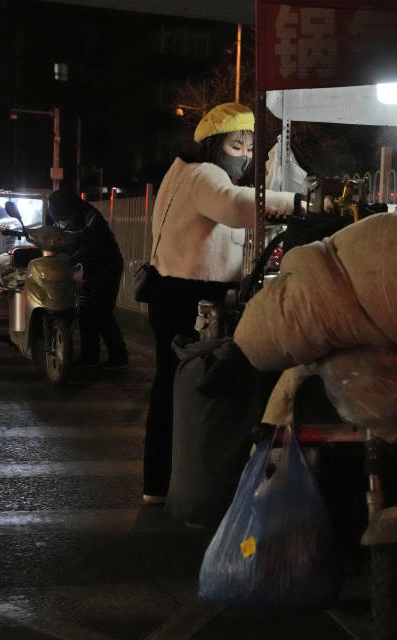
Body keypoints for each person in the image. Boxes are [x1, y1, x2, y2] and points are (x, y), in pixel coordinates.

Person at [142, 102, 304, 504]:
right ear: (214, 145)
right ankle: (184, 482)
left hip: (168, 290)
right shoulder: (205, 174)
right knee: (191, 390)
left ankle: (160, 482)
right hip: (189, 296)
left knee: (170, 387)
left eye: (250, 148)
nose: (245, 155)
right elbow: (235, 207)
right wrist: (298, 204)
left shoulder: (179, 172)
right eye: (237, 145)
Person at [48, 190, 128, 368]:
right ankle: (89, 355)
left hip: (107, 266)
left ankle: (118, 355)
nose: (62, 223)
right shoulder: (68, 215)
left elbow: (93, 247)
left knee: (101, 310)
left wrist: (69, 259)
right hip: (88, 267)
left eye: (64, 218)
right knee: (85, 311)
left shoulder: (90, 217)